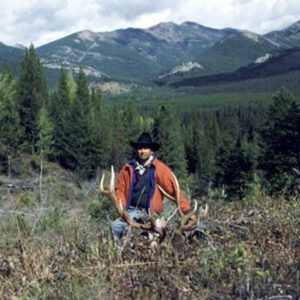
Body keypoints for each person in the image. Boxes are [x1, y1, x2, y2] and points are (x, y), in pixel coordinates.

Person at [110, 132, 196, 240]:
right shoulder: (128, 168)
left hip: (150, 213)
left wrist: (187, 212)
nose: (142, 151)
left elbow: (175, 191)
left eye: (146, 148)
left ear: (151, 151)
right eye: (140, 148)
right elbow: (120, 190)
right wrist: (123, 209)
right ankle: (118, 252)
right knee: (115, 227)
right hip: (131, 211)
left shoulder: (159, 169)